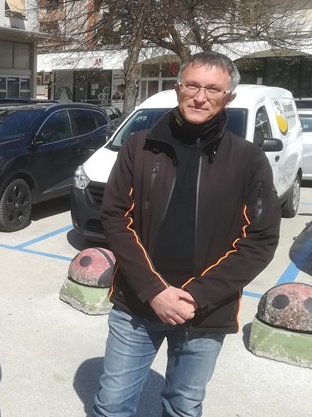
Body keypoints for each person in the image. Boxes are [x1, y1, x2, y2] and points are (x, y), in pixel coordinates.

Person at [93, 51, 281, 417]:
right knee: (111, 404)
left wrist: (194, 297)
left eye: (213, 89)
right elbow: (115, 217)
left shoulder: (248, 160)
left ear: (229, 98)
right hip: (138, 303)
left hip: (206, 312)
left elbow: (260, 239)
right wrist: (154, 292)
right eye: (192, 85)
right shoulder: (139, 145)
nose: (200, 96)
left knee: (183, 406)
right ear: (177, 88)